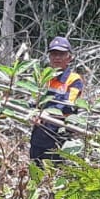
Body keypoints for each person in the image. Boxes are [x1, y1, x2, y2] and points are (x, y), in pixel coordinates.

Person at [30, 36, 85, 164]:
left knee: (54, 172)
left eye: (61, 54)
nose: (57, 58)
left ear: (69, 57)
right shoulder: (45, 77)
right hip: (39, 134)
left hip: (59, 135)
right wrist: (33, 113)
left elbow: (68, 106)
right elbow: (34, 100)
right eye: (54, 54)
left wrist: (47, 113)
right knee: (35, 172)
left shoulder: (74, 79)